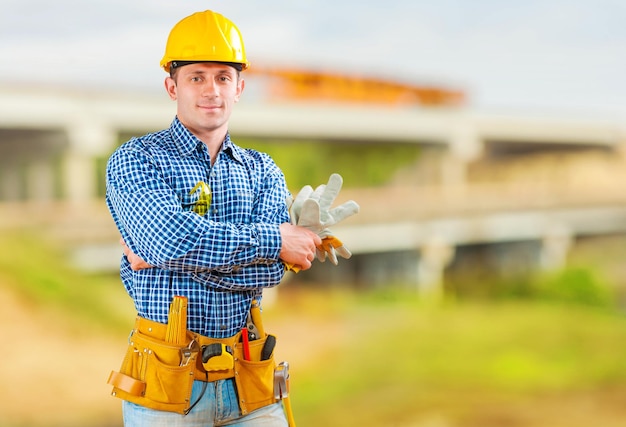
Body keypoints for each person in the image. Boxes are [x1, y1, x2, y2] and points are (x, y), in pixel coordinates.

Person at [105, 9, 322, 426]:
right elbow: (169, 240)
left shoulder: (262, 170)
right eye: (196, 77)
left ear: (239, 87)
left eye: (223, 77)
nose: (211, 90)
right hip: (166, 387)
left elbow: (271, 274)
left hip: (251, 381)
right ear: (172, 86)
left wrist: (167, 257)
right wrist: (274, 240)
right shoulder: (137, 159)